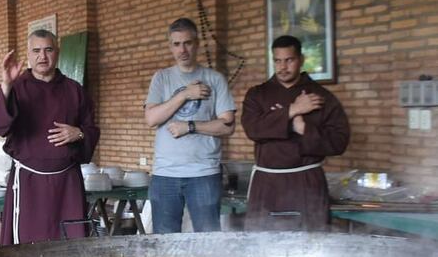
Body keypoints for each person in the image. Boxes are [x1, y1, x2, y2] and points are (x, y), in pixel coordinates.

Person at [0, 29, 100, 245]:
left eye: (48, 49)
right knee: (28, 245)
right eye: (36, 51)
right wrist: (6, 85)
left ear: (57, 53)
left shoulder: (74, 90)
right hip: (29, 183)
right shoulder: (17, 87)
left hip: (67, 184)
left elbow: (91, 128)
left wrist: (79, 133)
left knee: (71, 243)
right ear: (28, 55)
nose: (43, 56)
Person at [241, 35, 350, 231]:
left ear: (301, 60)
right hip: (267, 183)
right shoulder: (257, 94)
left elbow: (339, 142)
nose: (283, 67)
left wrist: (302, 128)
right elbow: (253, 129)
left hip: (306, 182)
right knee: (262, 246)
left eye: (289, 60)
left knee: (310, 245)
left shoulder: (322, 96)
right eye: (277, 60)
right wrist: (292, 111)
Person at [144, 18, 236, 233]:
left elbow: (228, 126)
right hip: (165, 174)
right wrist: (185, 94)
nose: (182, 49)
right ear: (170, 46)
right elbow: (151, 119)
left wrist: (191, 126)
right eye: (176, 44)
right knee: (165, 244)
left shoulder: (214, 79)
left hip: (204, 172)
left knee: (207, 241)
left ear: (197, 44)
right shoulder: (161, 78)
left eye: (187, 43)